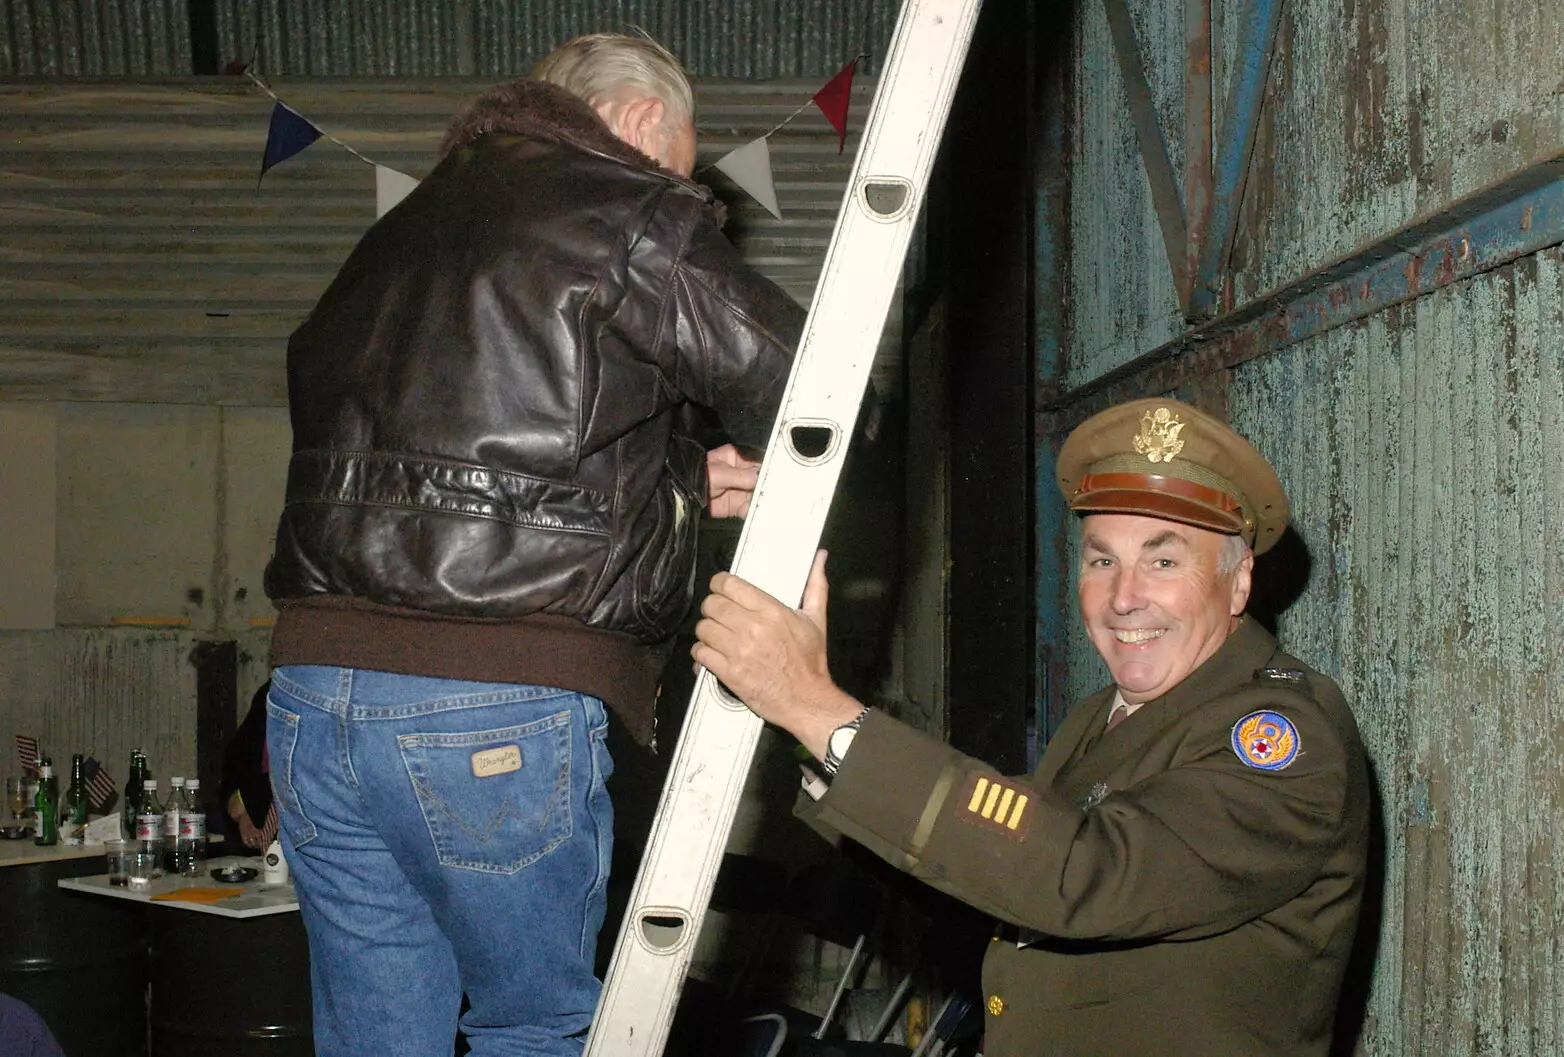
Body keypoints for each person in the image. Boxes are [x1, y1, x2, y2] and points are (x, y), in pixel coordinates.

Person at [260, 32, 803, 1057]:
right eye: (682, 161)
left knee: (375, 1039)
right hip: (491, 699)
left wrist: (682, 480)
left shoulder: (400, 230)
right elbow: (808, 393)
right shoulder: (626, 210)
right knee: (537, 1030)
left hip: (310, 698)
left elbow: (450, 465)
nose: (680, 188)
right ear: (642, 122)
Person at [692, 398, 1370, 1056]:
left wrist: (817, 705)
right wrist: (805, 717)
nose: (1124, 595)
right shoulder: (1104, 716)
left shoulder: (1287, 740)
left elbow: (1081, 871)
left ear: (1239, 581)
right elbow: (996, 873)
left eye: (1164, 560)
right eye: (1102, 559)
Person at [212, 683, 278, 855]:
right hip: (254, 807)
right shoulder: (271, 691)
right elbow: (238, 755)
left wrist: (253, 804)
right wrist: (242, 803)